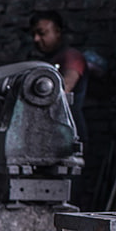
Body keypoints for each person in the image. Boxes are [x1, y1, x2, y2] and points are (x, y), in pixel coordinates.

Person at [29, 9, 89, 145]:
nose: (36, 39)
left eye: (41, 33)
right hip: (53, 132)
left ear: (57, 32)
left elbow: (64, 88)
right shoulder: (48, 60)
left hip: (69, 133)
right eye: (33, 34)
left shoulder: (71, 57)